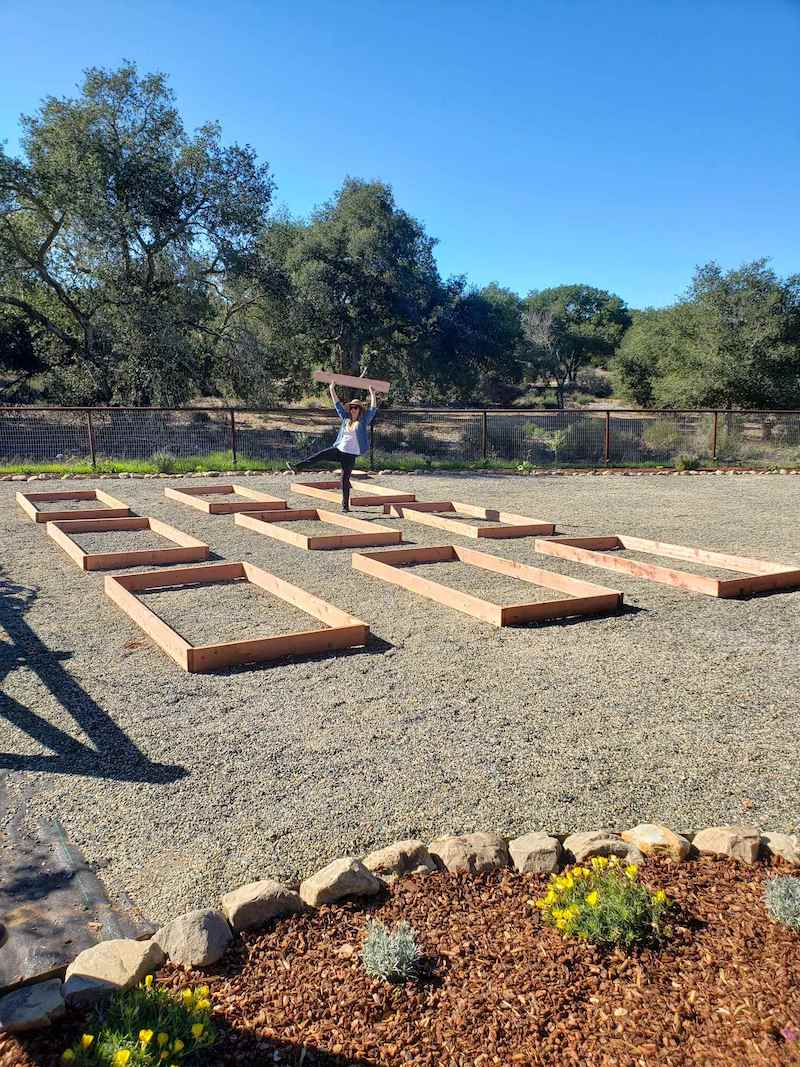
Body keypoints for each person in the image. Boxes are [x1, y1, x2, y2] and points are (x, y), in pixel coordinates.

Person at [286, 382, 378, 511]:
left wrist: (372, 393)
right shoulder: (346, 418)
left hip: (350, 455)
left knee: (344, 480)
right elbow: (337, 405)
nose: (353, 410)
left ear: (360, 410)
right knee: (320, 455)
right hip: (339, 450)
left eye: (356, 408)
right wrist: (331, 389)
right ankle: (298, 467)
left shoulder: (363, 421)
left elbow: (373, 409)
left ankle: (345, 506)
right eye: (352, 407)